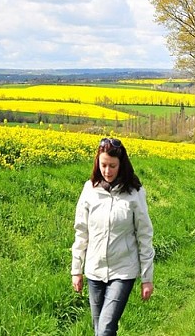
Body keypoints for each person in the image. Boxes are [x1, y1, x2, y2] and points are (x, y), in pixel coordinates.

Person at [71, 137, 155, 335]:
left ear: (121, 165)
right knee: (100, 329)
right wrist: (77, 270)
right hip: (94, 271)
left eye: (113, 166)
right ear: (97, 163)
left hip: (123, 271)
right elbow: (81, 231)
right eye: (103, 165)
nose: (107, 171)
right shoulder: (89, 190)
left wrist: (147, 278)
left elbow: (144, 234)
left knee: (105, 330)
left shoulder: (134, 193)